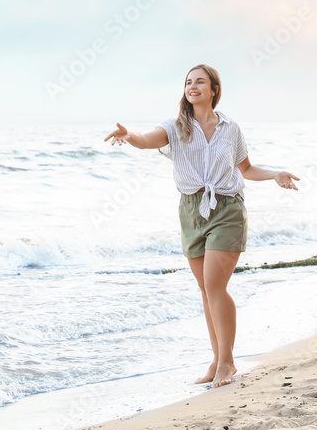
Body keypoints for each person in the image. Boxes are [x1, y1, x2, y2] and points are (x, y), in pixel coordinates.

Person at [104, 64, 298, 388]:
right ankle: (216, 358)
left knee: (215, 286)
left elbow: (246, 168)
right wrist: (129, 136)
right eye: (188, 82)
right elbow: (146, 140)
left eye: (200, 82)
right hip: (191, 210)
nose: (192, 86)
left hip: (227, 208)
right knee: (206, 291)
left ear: (213, 90)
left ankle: (227, 362)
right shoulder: (175, 127)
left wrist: (275, 174)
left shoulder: (230, 128)